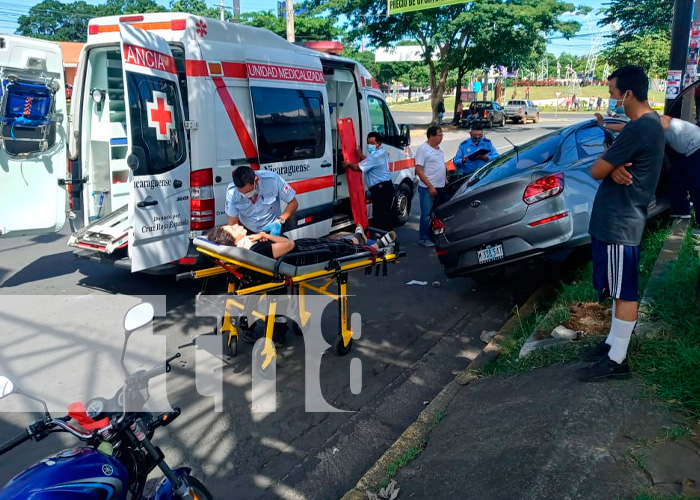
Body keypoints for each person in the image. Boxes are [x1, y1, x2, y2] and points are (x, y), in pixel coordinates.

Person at [578, 65, 665, 382]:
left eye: (613, 92)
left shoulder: (640, 128)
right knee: (616, 288)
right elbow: (609, 162)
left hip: (620, 222)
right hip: (618, 220)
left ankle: (617, 361)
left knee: (624, 290)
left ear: (628, 94)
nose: (610, 98)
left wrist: (608, 164)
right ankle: (613, 343)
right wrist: (612, 163)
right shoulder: (645, 125)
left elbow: (596, 170)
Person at [594, 112, 700, 235]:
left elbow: (628, 130)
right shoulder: (649, 122)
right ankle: (682, 212)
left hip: (696, 147)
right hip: (683, 148)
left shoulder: (652, 124)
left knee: (696, 185)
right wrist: (604, 124)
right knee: (675, 178)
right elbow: (627, 128)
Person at [206, 224, 396, 265]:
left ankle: (358, 239)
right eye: (233, 228)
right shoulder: (256, 249)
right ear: (235, 240)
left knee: (330, 241)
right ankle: (376, 247)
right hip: (300, 255)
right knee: (338, 249)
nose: (236, 224)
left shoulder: (248, 247)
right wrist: (265, 235)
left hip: (299, 248)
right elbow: (287, 245)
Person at [225, 166, 298, 235]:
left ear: (256, 180)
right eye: (242, 192)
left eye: (248, 191)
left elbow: (293, 203)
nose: (245, 195)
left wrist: (280, 220)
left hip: (273, 228)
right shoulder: (232, 192)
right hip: (248, 231)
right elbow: (233, 224)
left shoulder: (272, 180)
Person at [345, 132, 395, 231]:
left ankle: (386, 240)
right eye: (368, 143)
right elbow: (369, 161)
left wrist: (348, 164)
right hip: (386, 187)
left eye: (372, 143)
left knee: (381, 218)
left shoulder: (375, 156)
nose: (370, 145)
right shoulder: (382, 151)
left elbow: (357, 167)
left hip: (381, 190)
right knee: (384, 216)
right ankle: (387, 238)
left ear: (379, 143)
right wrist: (360, 155)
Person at [415, 125, 446, 247]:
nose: (441, 137)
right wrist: (430, 186)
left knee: (437, 213)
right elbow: (418, 169)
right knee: (426, 214)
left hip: (440, 186)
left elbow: (440, 164)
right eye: (439, 135)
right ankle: (424, 238)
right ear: (431, 136)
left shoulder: (439, 148)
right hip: (427, 187)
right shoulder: (423, 149)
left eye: (442, 135)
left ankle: (434, 234)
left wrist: (444, 177)